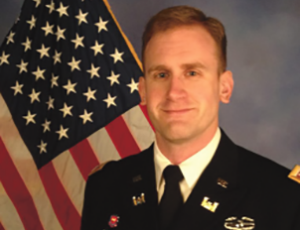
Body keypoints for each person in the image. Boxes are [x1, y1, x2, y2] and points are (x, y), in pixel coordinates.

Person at [81, 5, 300, 230]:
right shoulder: (106, 187)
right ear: (143, 91)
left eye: (192, 73)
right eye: (161, 75)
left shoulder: (284, 197)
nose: (174, 92)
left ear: (224, 88)